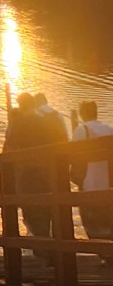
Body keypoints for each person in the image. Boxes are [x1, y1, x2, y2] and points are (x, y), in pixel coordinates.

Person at [2, 92, 52, 250]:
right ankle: (50, 246)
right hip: (45, 173)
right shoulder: (44, 121)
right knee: (45, 209)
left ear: (22, 105)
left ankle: (42, 248)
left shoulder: (19, 123)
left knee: (31, 210)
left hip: (27, 174)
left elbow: (9, 149)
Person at [72, 100, 113, 244]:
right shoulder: (109, 129)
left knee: (91, 221)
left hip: (90, 183)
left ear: (82, 114)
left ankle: (103, 252)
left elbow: (74, 157)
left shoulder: (82, 130)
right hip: (109, 184)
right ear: (96, 113)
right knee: (108, 220)